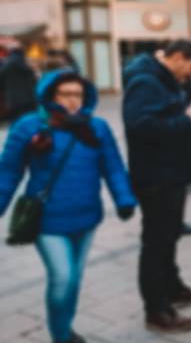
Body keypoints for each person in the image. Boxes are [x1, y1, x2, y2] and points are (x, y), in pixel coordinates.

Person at [0, 69, 136, 343]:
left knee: (73, 280)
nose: (74, 100)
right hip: (48, 221)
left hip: (86, 218)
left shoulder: (96, 127)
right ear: (51, 94)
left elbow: (113, 167)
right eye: (66, 94)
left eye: (79, 94)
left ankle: (66, 328)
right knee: (63, 279)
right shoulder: (30, 126)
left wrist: (124, 199)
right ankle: (60, 335)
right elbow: (9, 171)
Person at [122, 40, 191, 332]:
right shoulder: (146, 82)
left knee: (168, 237)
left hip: (170, 173)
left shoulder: (164, 80)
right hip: (156, 177)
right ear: (179, 57)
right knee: (156, 243)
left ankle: (172, 288)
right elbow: (139, 126)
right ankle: (156, 309)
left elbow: (176, 103)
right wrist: (183, 122)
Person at [0, 47, 37, 121]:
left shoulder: (6, 66)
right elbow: (34, 81)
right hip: (29, 98)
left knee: (17, 120)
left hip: (13, 99)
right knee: (30, 118)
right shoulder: (26, 65)